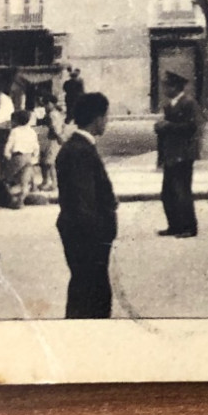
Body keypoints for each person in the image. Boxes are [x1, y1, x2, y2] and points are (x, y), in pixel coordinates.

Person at [54, 92, 117, 319]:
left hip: (83, 234)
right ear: (97, 118)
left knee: (85, 290)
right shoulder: (79, 151)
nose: (106, 122)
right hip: (87, 237)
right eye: (106, 117)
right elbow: (83, 203)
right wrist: (99, 234)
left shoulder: (77, 146)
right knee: (92, 294)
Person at [154, 70, 201, 238]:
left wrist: (167, 126)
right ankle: (174, 225)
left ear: (175, 87)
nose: (164, 89)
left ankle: (189, 227)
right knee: (168, 193)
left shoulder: (189, 103)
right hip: (170, 154)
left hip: (183, 153)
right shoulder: (169, 105)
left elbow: (192, 127)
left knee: (182, 191)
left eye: (167, 86)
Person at [3, 109, 41, 199]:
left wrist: (6, 154)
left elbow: (9, 144)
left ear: (16, 120)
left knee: (7, 177)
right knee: (25, 180)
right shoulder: (32, 132)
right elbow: (36, 146)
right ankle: (23, 196)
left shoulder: (15, 131)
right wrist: (35, 156)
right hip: (28, 157)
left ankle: (11, 197)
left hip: (17, 157)